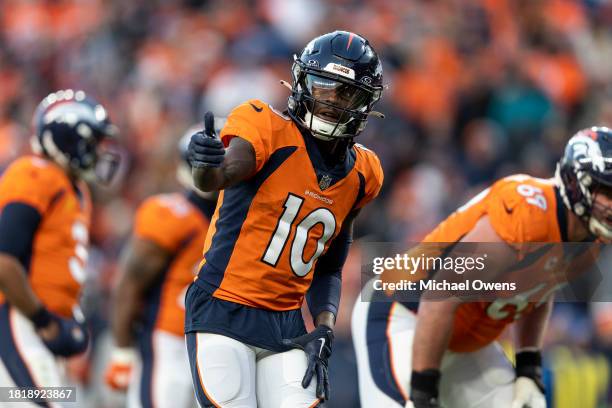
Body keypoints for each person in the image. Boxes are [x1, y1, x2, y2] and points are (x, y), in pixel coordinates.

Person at [185, 30, 385, 407]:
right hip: (223, 310)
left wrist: (324, 327)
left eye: (345, 92)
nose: (330, 101)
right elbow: (220, 176)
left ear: (365, 102)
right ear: (302, 81)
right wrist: (204, 166)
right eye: (323, 86)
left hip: (288, 327)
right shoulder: (265, 126)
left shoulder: (364, 174)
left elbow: (330, 265)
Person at [352, 126, 612, 408]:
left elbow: (538, 288)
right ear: (575, 182)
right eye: (607, 191)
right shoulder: (528, 213)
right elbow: (442, 292)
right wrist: (424, 392)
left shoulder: (589, 241)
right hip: (403, 313)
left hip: (464, 342)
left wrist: (528, 366)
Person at [0, 90, 119, 404]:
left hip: (39, 330)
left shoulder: (75, 190)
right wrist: (43, 319)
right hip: (17, 320)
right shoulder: (35, 174)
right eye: (92, 142)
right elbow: (3, 259)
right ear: (67, 138)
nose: (98, 152)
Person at [104, 124, 219, 407]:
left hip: (215, 348)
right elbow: (129, 284)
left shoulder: (237, 225)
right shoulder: (173, 215)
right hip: (167, 343)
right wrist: (122, 352)